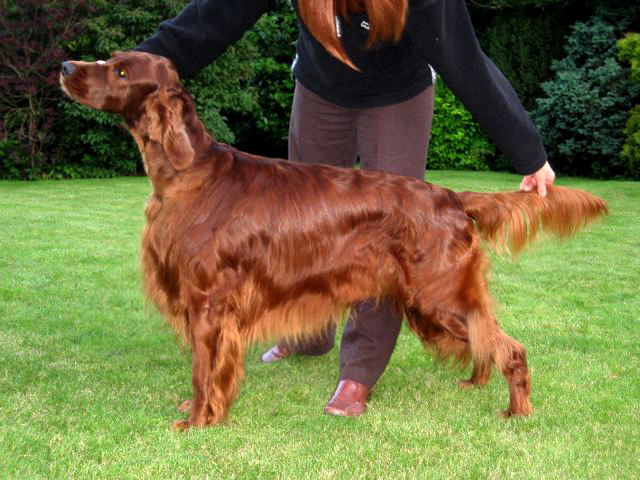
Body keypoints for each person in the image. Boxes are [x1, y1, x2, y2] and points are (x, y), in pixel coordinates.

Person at [136, 0, 555, 417]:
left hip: (397, 93)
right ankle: (306, 335)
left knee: (395, 238)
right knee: (300, 229)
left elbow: (463, 58)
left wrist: (528, 153)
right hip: (320, 87)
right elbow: (213, 16)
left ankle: (359, 371)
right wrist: (129, 67)